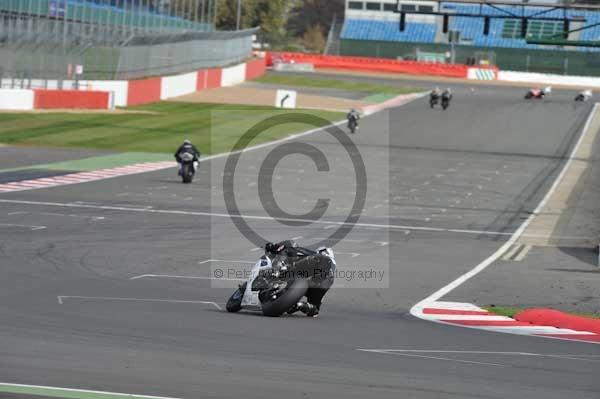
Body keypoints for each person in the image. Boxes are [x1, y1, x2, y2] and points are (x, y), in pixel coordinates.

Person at [265, 240, 334, 317]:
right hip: (308, 281)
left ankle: (296, 304)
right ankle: (297, 303)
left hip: (304, 280)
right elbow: (314, 311)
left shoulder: (307, 255)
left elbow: (290, 245)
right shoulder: (327, 277)